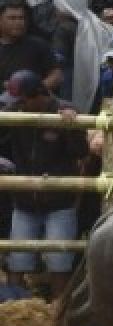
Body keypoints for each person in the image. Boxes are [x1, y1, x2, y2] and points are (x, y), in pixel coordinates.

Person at [0, 70, 86, 299]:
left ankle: (58, 313)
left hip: (59, 201)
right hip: (24, 200)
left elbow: (81, 151)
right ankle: (12, 308)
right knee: (17, 259)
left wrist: (71, 128)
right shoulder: (14, 112)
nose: (20, 105)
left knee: (59, 261)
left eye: (23, 99)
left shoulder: (66, 111)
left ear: (38, 95)